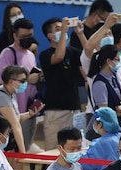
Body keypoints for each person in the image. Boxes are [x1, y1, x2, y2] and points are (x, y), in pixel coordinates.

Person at [39, 17, 86, 150]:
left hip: (75, 110)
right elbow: (58, 57)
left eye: (63, 28)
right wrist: (65, 32)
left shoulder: (72, 53)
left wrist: (80, 34)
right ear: (50, 35)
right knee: (53, 150)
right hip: (56, 112)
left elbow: (88, 56)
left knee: (77, 149)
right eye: (58, 29)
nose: (63, 32)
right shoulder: (45, 54)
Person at [0, 18, 41, 150]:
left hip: (28, 110)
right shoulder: (7, 54)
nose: (27, 39)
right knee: (10, 152)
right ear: (15, 36)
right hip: (12, 112)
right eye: (23, 37)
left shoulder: (30, 55)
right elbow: (2, 81)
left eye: (30, 36)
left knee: (25, 147)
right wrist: (27, 80)